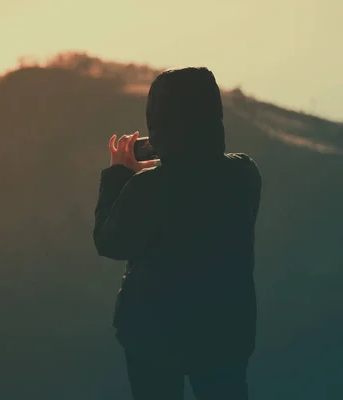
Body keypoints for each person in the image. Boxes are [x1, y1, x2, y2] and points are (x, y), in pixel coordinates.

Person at [93, 67, 262, 400]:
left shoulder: (147, 188)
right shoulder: (244, 172)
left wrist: (118, 176)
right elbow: (199, 179)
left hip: (154, 339)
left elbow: (109, 241)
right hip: (227, 333)